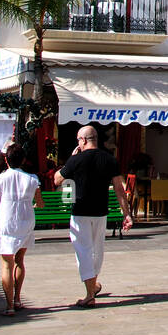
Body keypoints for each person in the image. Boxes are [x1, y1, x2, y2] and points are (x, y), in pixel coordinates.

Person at [54, 125, 132, 308]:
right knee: (97, 251)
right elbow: (120, 189)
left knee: (83, 251)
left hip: (80, 212)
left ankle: (90, 294)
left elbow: (57, 179)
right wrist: (126, 213)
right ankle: (93, 285)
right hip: (100, 212)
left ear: (82, 140)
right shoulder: (109, 159)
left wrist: (71, 160)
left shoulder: (76, 160)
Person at [0, 143, 43, 316]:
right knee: (20, 260)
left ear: (6, 161)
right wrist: (31, 205)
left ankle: (9, 306)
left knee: (7, 264)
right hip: (25, 220)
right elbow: (40, 203)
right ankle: (17, 298)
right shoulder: (32, 179)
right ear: (23, 160)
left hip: (6, 220)